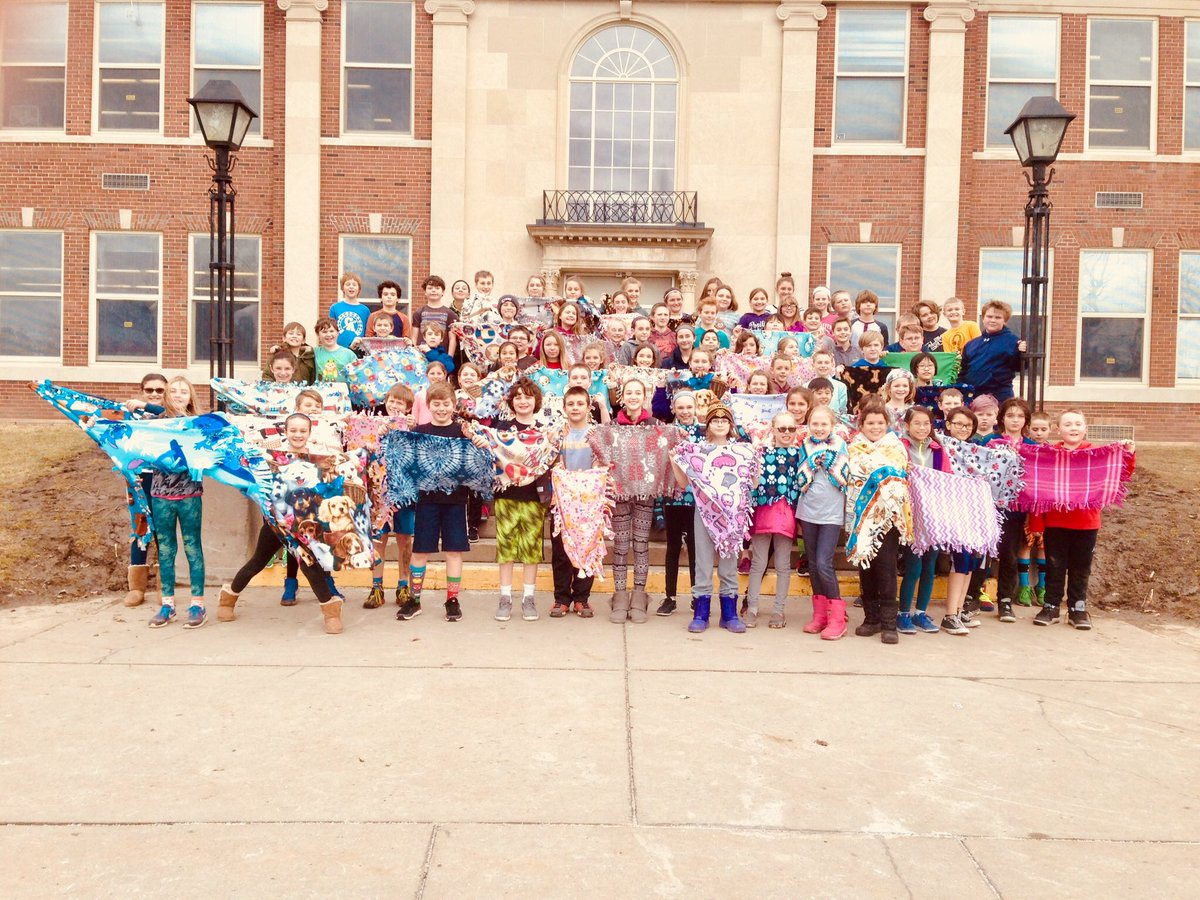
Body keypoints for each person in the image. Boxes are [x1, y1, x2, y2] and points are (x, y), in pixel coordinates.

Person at [218, 413, 346, 635]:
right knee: (257, 562)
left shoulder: (319, 457)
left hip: (303, 525)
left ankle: (331, 614)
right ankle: (227, 598)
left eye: (302, 431)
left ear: (309, 433)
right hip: (276, 523)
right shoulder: (271, 456)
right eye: (293, 430)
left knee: (310, 565)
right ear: (285, 432)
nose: (298, 435)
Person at [1034, 410, 1135, 630]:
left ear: (1085, 429)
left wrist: (1128, 453)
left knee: (1081, 568)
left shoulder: (1096, 455)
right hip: (1056, 522)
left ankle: (1077, 608)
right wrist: (1037, 523)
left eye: (1078, 424)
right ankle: (1050, 606)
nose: (1073, 428)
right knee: (1054, 567)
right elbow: (1037, 490)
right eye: (1068, 424)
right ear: (1058, 429)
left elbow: (1120, 473)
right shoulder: (1049, 455)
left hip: (1087, 524)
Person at [469, 378, 546, 622]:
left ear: (536, 401)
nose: (523, 401)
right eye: (518, 397)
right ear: (511, 402)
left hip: (534, 495)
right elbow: (487, 451)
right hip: (506, 495)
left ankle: (529, 598)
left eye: (528, 397)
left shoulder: (545, 429)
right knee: (506, 548)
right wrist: (481, 442)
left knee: (531, 549)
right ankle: (505, 597)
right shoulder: (501, 428)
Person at [398, 384, 472, 623]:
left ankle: (452, 600)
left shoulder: (463, 432)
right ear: (428, 406)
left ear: (454, 405)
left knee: (454, 551)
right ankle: (415, 599)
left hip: (456, 500)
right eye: (436, 404)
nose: (441, 408)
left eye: (446, 403)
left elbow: (476, 460)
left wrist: (478, 441)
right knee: (420, 551)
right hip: (427, 500)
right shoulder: (418, 432)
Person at [671, 404, 745, 634]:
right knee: (702, 562)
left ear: (731, 425)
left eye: (725, 420)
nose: (720, 423)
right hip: (704, 512)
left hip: (732, 515)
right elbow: (683, 484)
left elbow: (752, 484)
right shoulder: (698, 451)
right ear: (708, 425)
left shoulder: (742, 451)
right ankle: (701, 612)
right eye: (715, 420)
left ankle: (729, 613)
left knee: (729, 563)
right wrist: (675, 461)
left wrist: (756, 464)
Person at [144, 376, 206, 629]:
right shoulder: (155, 424)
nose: (179, 395)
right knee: (166, 550)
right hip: (160, 495)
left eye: (184, 391)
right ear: (166, 395)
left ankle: (198, 604)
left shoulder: (199, 424)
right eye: (173, 391)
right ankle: (167, 604)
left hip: (190, 494)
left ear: (191, 396)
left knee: (192, 547)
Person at [846, 400, 910, 644]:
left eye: (879, 423)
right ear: (861, 424)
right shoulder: (853, 447)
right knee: (866, 567)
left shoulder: (897, 448)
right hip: (861, 516)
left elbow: (896, 475)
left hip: (887, 519)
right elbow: (854, 473)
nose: (875, 427)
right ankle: (870, 619)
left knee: (886, 569)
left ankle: (888, 623)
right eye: (870, 423)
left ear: (887, 424)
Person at [794, 405, 849, 637]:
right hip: (808, 511)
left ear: (832, 426)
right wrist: (812, 462)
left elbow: (843, 477)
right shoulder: (804, 446)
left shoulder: (840, 445)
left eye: (823, 424)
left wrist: (826, 461)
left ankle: (838, 616)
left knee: (824, 562)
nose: (819, 428)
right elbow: (800, 479)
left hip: (831, 513)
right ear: (808, 425)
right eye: (814, 424)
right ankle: (820, 615)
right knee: (814, 565)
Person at [744, 412, 802, 627]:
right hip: (763, 512)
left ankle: (778, 611)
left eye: (791, 429)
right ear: (773, 429)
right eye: (782, 429)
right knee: (758, 563)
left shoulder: (800, 454)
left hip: (786, 514)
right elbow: (753, 482)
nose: (786, 433)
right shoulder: (760, 453)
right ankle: (752, 608)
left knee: (783, 565)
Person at [608, 377, 658, 624]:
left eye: (638, 392)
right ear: (622, 397)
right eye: (629, 392)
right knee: (620, 544)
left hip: (644, 493)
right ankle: (619, 595)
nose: (634, 396)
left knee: (640, 544)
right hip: (619, 492)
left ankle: (639, 595)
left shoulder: (656, 425)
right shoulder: (612, 426)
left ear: (645, 396)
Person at [898, 406, 950, 633]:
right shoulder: (900, 448)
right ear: (907, 426)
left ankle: (920, 612)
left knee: (930, 566)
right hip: (911, 516)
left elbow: (947, 480)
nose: (922, 428)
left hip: (934, 515)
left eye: (926, 424)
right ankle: (903, 613)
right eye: (917, 423)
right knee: (914, 565)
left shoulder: (939, 451)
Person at [549, 386, 599, 618]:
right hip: (562, 501)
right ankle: (561, 598)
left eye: (580, 404)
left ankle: (582, 598)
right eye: (571, 404)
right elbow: (552, 462)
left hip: (589, 503)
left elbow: (602, 464)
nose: (575, 408)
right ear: (564, 407)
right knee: (560, 551)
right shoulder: (559, 433)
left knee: (586, 548)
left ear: (589, 407)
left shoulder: (596, 434)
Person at [120, 373, 169, 608]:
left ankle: (164, 585)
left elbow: (171, 416)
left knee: (163, 529)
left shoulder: (170, 413)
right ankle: (137, 587)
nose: (154, 394)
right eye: (149, 390)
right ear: (142, 390)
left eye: (159, 390)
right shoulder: (131, 414)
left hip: (166, 479)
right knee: (140, 527)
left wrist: (146, 406)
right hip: (138, 478)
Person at [367, 385, 417, 612]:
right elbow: (362, 452)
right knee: (379, 540)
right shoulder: (372, 426)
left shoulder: (412, 430)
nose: (395, 406)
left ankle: (403, 585)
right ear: (385, 401)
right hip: (378, 495)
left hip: (405, 495)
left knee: (405, 539)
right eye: (392, 401)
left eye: (400, 403)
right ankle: (376, 588)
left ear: (408, 408)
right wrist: (374, 438)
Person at [939, 407, 985, 635]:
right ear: (948, 425)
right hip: (952, 512)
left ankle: (958, 611)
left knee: (970, 563)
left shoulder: (976, 451)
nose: (963, 429)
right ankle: (949, 615)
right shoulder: (941, 446)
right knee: (960, 561)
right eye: (958, 424)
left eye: (967, 426)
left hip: (973, 512)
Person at [657, 391, 700, 616]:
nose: (685, 412)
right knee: (672, 547)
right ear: (673, 409)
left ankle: (696, 596)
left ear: (695, 408)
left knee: (695, 548)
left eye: (688, 407)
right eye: (680, 408)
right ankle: (670, 597)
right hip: (673, 496)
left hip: (697, 499)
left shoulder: (704, 432)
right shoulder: (666, 431)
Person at [1018, 410, 1053, 606]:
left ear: (1050, 429)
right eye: (1035, 429)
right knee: (1026, 543)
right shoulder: (1026, 450)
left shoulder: (1054, 452)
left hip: (1047, 505)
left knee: (1044, 546)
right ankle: (1024, 587)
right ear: (1028, 429)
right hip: (1029, 505)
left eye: (1043, 429)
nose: (1039, 433)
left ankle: (1042, 586)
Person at [960, 300, 1027, 402]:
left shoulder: (1013, 342)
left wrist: (1021, 353)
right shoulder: (971, 344)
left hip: (999, 397)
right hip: (972, 396)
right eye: (989, 316)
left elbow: (1020, 367)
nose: (993, 320)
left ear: (1005, 321)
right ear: (983, 318)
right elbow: (962, 372)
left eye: (998, 317)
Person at [411, 275, 459, 356]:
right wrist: (415, 355)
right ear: (425, 292)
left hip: (441, 356)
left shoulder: (450, 314)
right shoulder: (419, 312)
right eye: (430, 288)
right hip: (422, 356)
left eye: (437, 288)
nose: (433, 290)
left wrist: (449, 357)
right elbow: (414, 337)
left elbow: (452, 339)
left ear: (443, 292)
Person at [330, 272, 369, 350]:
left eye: (354, 285)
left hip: (359, 351)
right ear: (343, 288)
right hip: (339, 349)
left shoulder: (365, 310)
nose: (351, 287)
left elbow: (367, 333)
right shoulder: (335, 308)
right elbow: (331, 330)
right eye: (348, 284)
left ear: (359, 289)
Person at [313, 315, 357, 383]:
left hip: (343, 392)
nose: (328, 335)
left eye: (331, 331)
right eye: (324, 332)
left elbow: (357, 376)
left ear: (338, 333)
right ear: (318, 334)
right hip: (320, 392)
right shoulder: (314, 353)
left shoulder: (349, 355)